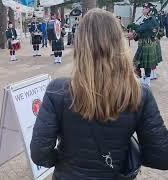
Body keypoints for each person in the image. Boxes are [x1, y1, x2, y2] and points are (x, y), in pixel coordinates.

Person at [30, 9, 168, 180]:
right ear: (119, 44)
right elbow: (161, 157)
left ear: (80, 46)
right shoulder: (139, 93)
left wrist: (63, 159)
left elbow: (39, 154)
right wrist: (126, 154)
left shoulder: (57, 90)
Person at [128, 3, 160, 87]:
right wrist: (134, 36)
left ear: (150, 10)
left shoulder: (151, 19)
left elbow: (143, 28)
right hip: (143, 44)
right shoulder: (145, 19)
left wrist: (134, 28)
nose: (143, 10)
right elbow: (141, 31)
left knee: (146, 64)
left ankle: (147, 80)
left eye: (145, 8)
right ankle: (144, 78)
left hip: (147, 45)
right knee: (138, 63)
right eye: (143, 8)